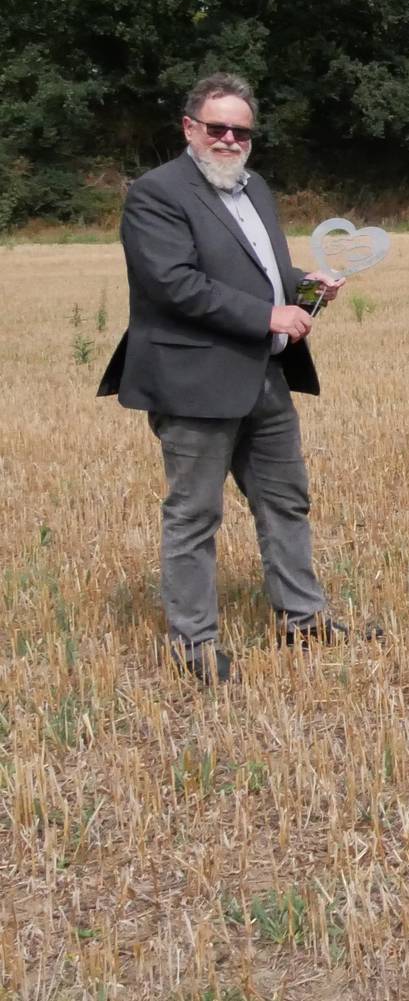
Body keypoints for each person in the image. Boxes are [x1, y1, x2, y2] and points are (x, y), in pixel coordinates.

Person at [97, 73, 369, 683]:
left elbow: (257, 270)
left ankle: (304, 619)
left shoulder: (256, 188)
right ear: (189, 128)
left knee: (286, 501)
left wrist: (302, 285)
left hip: (264, 373)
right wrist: (267, 313)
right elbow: (173, 284)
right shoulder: (157, 193)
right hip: (193, 378)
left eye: (240, 130)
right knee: (194, 515)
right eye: (216, 127)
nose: (228, 138)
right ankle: (192, 645)